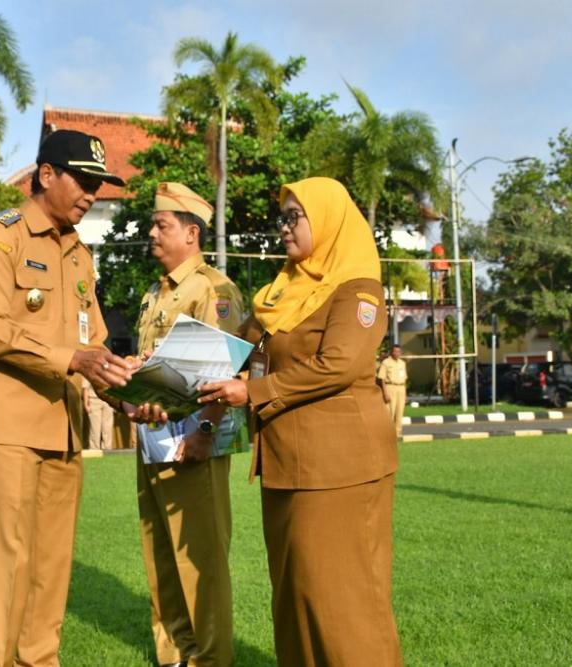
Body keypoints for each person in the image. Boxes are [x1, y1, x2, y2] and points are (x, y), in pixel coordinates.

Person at [199, 177, 402, 666]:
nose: (284, 228)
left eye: (295, 216)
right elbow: (232, 349)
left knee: (341, 603)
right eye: (282, 217)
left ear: (328, 219)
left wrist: (255, 391)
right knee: (294, 598)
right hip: (289, 465)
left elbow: (342, 364)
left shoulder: (356, 287)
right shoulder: (281, 291)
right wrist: (157, 378)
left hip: (339, 467)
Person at [0, 129, 136, 667]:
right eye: (84, 181)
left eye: (99, 185)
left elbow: (97, 346)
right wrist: (72, 358)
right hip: (10, 427)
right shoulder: (1, 237)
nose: (92, 194)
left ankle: (39, 661)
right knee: (5, 564)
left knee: (51, 563)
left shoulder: (79, 254)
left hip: (64, 429)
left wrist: (129, 395)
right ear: (46, 175)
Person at [123, 182, 244, 667]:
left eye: (161, 225)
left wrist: (205, 433)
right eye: (154, 224)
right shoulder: (157, 291)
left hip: (196, 441)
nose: (151, 232)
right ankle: (174, 653)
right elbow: (163, 366)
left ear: (191, 233)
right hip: (155, 439)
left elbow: (225, 372)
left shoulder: (213, 289)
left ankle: (210, 658)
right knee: (161, 555)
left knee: (201, 562)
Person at [378, 343, 408, 439]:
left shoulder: (402, 363)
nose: (397, 353)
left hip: (401, 388)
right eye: (395, 351)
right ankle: (388, 434)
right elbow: (382, 378)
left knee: (400, 412)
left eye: (399, 351)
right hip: (390, 387)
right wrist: (385, 392)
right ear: (391, 352)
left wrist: (406, 394)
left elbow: (404, 379)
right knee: (390, 412)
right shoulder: (386, 363)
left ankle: (397, 433)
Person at [82, 380, 113, 449]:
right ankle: (94, 449)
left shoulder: (111, 369)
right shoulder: (89, 369)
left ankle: (107, 449)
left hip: (108, 400)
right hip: (94, 400)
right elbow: (85, 387)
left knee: (107, 428)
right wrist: (86, 403)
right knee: (95, 428)